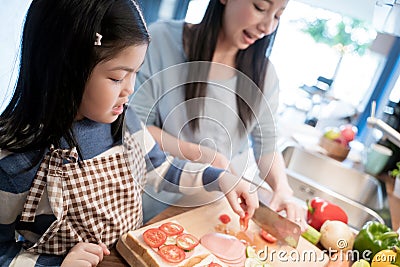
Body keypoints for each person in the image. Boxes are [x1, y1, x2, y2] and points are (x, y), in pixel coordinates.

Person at [0, 0, 258, 266]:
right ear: (66, 68)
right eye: (117, 78)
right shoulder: (15, 160)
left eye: (135, 73)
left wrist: (220, 178)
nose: (130, 89)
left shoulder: (125, 119)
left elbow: (160, 171)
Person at [131, 0, 307, 229]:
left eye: (277, 16)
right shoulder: (161, 40)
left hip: (217, 211)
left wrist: (283, 189)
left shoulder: (265, 76)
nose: (267, 27)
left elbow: (268, 146)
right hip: (153, 201)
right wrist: (204, 155)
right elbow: (133, 125)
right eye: (260, 8)